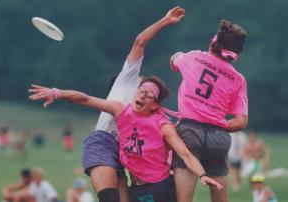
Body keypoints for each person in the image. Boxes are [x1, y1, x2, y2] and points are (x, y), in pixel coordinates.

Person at [30, 6, 185, 202]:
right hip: (102, 143)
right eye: (143, 83)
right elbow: (140, 42)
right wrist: (165, 21)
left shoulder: (149, 107)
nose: (144, 83)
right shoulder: (128, 78)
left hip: (124, 154)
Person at [29, 77, 224, 202]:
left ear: (155, 105)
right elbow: (85, 99)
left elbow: (185, 154)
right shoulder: (121, 111)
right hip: (136, 190)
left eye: (148, 95)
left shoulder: (162, 125)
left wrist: (202, 174)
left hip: (160, 189)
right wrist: (57, 93)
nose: (143, 94)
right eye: (141, 90)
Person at [170, 19, 248, 202]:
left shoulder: (193, 57)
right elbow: (241, 121)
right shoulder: (238, 79)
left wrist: (178, 54)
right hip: (218, 137)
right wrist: (220, 125)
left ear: (213, 43)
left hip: (188, 132)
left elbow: (174, 61)